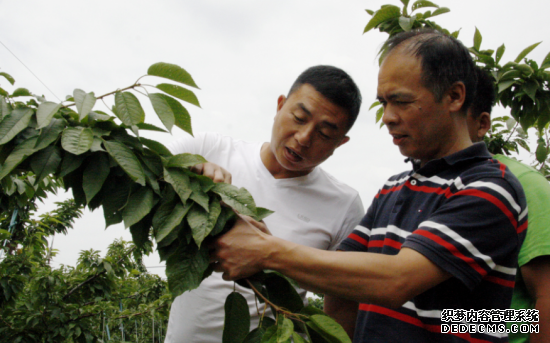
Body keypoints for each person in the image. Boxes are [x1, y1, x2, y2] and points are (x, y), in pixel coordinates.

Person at [211, 29, 527, 342]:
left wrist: (268, 251)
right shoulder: (394, 189)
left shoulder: (491, 188)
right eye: (384, 103)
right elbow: (341, 280)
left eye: (401, 101)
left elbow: (396, 281)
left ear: (455, 97)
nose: (388, 117)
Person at [164, 65, 365, 343]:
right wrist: (184, 170)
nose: (304, 138)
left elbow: (342, 303)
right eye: (298, 117)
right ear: (280, 105)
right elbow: (139, 168)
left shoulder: (345, 205)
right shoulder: (209, 150)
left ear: (340, 144)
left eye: (325, 134)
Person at [467, 66, 550, 343]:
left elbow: (544, 303)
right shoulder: (412, 188)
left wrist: (452, 320)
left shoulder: (524, 184)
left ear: (482, 123)